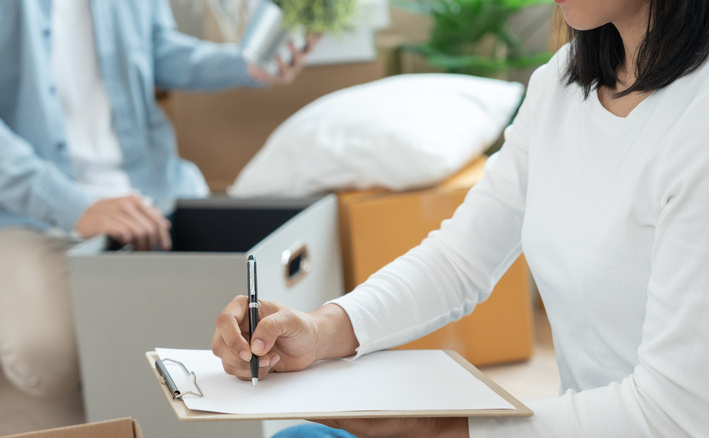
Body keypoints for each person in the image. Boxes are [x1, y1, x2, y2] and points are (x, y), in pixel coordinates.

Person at [212, 0, 709, 436]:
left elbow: (673, 417)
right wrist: (321, 330)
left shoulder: (695, 125)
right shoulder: (560, 83)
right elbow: (460, 258)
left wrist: (439, 428)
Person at [0, 0, 316, 397]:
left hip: (151, 188)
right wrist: (75, 206)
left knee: (245, 324)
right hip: (29, 210)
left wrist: (242, 65)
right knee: (46, 362)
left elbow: (157, 48)